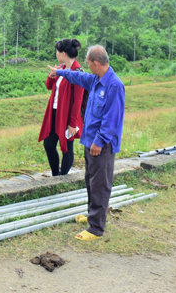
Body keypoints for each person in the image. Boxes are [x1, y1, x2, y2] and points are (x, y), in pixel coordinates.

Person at [47, 45, 125, 241]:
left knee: (100, 185)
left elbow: (111, 119)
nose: (87, 66)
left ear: (96, 63)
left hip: (101, 145)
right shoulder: (95, 80)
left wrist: (99, 142)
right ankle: (92, 216)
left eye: (89, 63)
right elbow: (78, 77)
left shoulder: (114, 85)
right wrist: (59, 72)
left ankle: (96, 228)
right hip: (90, 141)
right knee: (91, 181)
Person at [38, 39, 84, 176]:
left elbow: (78, 100)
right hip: (54, 112)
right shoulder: (61, 68)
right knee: (49, 144)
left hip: (67, 114)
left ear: (63, 53)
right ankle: (55, 175)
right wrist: (52, 75)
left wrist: (73, 123)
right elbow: (49, 86)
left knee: (66, 147)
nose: (56, 54)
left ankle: (63, 177)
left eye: (57, 52)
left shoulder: (77, 72)